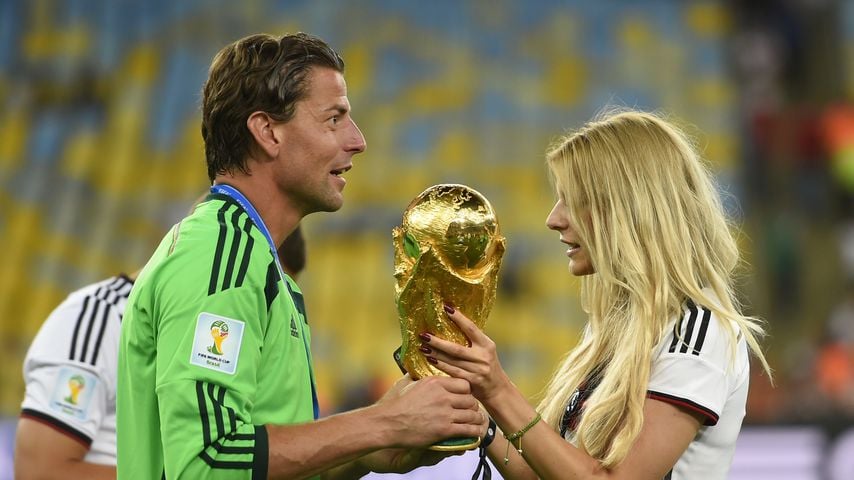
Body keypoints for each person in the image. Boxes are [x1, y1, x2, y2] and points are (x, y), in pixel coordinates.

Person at [116, 32, 485, 479]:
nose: (358, 140)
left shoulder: (262, 267)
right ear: (268, 132)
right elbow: (207, 463)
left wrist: (376, 450)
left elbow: (263, 465)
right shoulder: (218, 257)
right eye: (334, 119)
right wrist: (381, 423)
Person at [421, 109, 771, 479]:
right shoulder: (616, 325)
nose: (553, 218)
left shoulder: (695, 331)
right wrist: (481, 412)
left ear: (630, 207)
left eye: (574, 200)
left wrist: (499, 388)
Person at [13, 226, 309, 479]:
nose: (266, 313)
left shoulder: (216, 338)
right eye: (263, 292)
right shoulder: (97, 318)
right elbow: (41, 471)